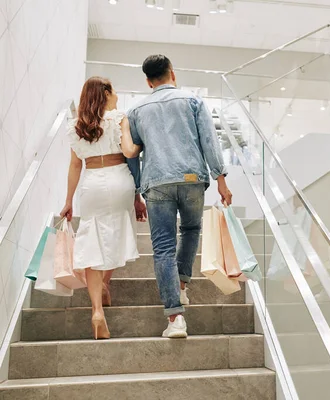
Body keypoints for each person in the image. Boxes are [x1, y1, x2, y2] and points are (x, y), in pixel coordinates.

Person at [127, 54, 232, 339]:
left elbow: (132, 156)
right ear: (172, 73)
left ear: (148, 81)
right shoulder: (194, 101)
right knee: (191, 230)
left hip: (157, 182)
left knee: (162, 247)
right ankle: (182, 285)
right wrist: (221, 179)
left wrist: (138, 190)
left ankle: (175, 319)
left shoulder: (135, 110)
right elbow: (209, 141)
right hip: (191, 179)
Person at [60, 77, 147, 340]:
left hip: (92, 183)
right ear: (106, 93)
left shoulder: (76, 127)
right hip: (120, 180)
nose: (117, 95)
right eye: (114, 90)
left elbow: (75, 166)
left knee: (91, 242)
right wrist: (143, 144)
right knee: (116, 235)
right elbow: (130, 151)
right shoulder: (118, 118)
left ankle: (97, 310)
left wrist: (68, 200)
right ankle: (106, 283)